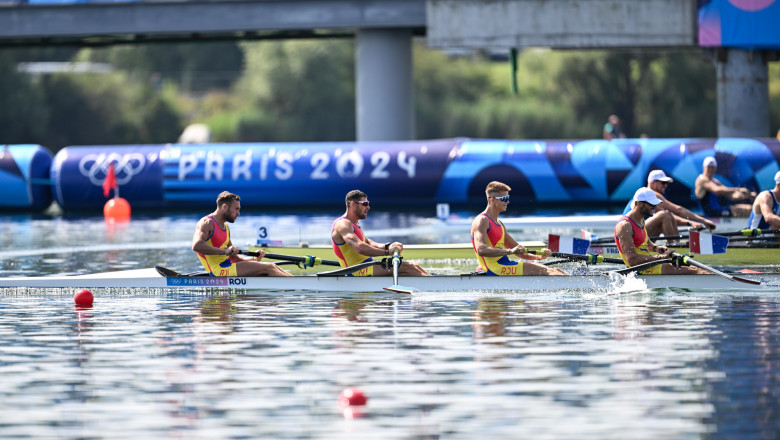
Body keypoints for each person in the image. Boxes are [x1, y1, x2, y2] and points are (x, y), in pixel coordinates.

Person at [471, 181, 567, 276]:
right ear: (492, 200)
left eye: (508, 198)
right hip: (496, 268)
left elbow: (520, 253)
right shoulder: (481, 221)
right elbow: (481, 250)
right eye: (504, 198)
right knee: (551, 272)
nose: (507, 201)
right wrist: (510, 251)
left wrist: (539, 257)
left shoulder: (500, 224)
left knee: (557, 270)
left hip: (504, 265)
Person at [331, 190, 430, 277]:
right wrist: (387, 253)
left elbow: (367, 242)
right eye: (365, 204)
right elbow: (359, 247)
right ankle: (435, 289)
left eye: (368, 203)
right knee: (409, 267)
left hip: (368, 266)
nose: (368, 207)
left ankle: (433, 283)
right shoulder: (343, 224)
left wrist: (387, 246)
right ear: (352, 204)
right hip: (356, 271)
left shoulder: (354, 223)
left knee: (414, 266)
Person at [192, 191, 291, 277]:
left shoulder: (226, 228)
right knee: (269, 267)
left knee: (273, 266)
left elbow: (235, 258)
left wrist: (254, 258)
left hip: (229, 266)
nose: (238, 213)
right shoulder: (206, 223)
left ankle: (299, 283)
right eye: (236, 209)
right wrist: (224, 251)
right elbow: (197, 246)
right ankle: (301, 287)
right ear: (224, 207)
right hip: (219, 271)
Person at [615, 187, 708, 275]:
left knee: (693, 268)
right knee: (697, 271)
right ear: (639, 203)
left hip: (648, 265)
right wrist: (660, 257)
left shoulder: (640, 220)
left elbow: (643, 241)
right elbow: (631, 260)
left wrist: (655, 248)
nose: (654, 207)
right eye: (651, 204)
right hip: (641, 270)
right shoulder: (624, 226)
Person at [622, 170, 716, 238]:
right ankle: (675, 247)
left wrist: (690, 223)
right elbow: (678, 210)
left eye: (666, 183)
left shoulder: (649, 201)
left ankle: (674, 245)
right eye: (663, 183)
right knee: (666, 214)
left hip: (636, 231)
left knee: (667, 216)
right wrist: (704, 220)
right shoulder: (652, 194)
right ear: (653, 183)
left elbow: (671, 218)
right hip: (630, 232)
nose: (666, 186)